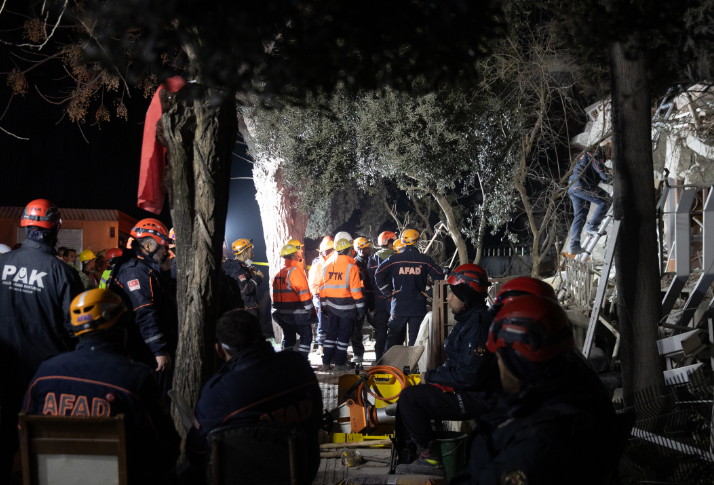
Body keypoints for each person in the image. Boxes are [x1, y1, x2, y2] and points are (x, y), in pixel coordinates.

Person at [22, 288, 180, 484]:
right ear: (122, 324)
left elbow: (23, 429)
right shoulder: (137, 378)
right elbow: (165, 447)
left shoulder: (45, 373)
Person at [0, 199, 84, 480]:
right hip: (46, 376)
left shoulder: (1, 265)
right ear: (54, 229)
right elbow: (75, 330)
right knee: (45, 444)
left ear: (26, 227)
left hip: (4, 371)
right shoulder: (64, 274)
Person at [187, 309, 323, 481]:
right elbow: (317, 418)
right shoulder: (298, 365)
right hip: (302, 473)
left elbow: (197, 450)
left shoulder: (218, 393)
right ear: (263, 336)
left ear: (220, 351)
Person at [395, 264, 500, 475]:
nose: (449, 298)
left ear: (466, 295)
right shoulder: (469, 318)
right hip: (468, 390)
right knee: (409, 397)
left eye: (453, 292)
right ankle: (411, 455)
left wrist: (432, 376)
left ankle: (430, 459)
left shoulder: (477, 324)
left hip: (475, 396)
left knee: (409, 399)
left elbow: (470, 374)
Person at [107, 218, 177, 395]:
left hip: (144, 348)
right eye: (163, 248)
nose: (166, 253)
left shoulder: (144, 267)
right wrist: (159, 349)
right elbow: (144, 312)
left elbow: (162, 299)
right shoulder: (135, 270)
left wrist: (166, 272)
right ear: (147, 246)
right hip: (143, 351)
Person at [375, 228, 444, 351]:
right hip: (417, 307)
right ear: (416, 242)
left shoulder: (394, 259)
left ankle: (389, 368)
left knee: (393, 342)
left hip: (398, 307)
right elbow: (440, 276)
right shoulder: (424, 259)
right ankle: (413, 369)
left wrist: (388, 292)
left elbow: (378, 274)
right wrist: (429, 293)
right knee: (415, 344)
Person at [319, 236, 366, 371]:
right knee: (344, 336)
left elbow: (322, 288)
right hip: (347, 308)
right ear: (348, 250)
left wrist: (323, 305)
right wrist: (361, 309)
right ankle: (340, 363)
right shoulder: (351, 266)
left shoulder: (327, 264)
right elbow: (356, 292)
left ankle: (326, 363)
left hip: (332, 306)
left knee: (331, 334)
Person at [272, 243, 316, 358]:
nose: (299, 255)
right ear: (292, 257)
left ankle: (287, 363)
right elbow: (304, 294)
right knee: (306, 337)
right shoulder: (295, 271)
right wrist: (311, 312)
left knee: (288, 338)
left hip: (283, 314)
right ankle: (302, 362)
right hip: (298, 314)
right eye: (297, 254)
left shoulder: (279, 273)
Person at [568, 146, 612, 255]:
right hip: (582, 185)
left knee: (580, 216)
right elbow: (601, 171)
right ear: (605, 151)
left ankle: (574, 246)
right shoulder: (592, 155)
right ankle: (591, 226)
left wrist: (609, 175)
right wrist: (612, 179)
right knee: (605, 200)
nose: (607, 160)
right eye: (607, 157)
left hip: (575, 187)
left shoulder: (590, 160)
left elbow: (601, 175)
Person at [367, 231, 397, 362]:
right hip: (394, 297)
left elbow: (370, 281)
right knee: (395, 329)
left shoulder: (372, 259)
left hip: (378, 298)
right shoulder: (396, 258)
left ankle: (379, 360)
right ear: (390, 242)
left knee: (381, 330)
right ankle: (393, 360)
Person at [223, 238, 263, 318]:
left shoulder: (236, 266)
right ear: (244, 253)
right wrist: (258, 277)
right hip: (248, 310)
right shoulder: (239, 270)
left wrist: (249, 274)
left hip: (242, 308)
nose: (253, 255)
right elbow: (245, 289)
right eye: (251, 252)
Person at [308, 236, 334, 352]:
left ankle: (325, 347)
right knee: (323, 324)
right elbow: (314, 285)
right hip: (322, 299)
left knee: (328, 324)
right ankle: (322, 346)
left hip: (330, 298)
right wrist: (319, 299)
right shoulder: (318, 264)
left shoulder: (331, 262)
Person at [350, 237, 374, 363]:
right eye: (366, 248)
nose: (369, 249)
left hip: (373, 299)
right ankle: (358, 354)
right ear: (359, 250)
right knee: (356, 329)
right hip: (360, 300)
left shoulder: (373, 261)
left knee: (379, 325)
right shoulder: (354, 265)